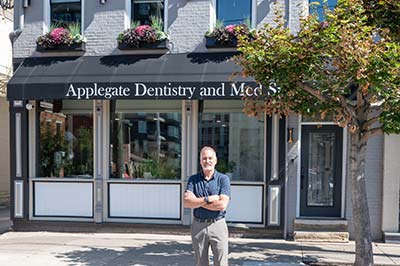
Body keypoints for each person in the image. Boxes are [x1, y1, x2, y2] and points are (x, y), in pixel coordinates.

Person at [184, 146, 231, 266]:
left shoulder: (223, 179)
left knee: (221, 262)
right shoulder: (193, 180)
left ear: (215, 161)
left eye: (210, 158)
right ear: (200, 161)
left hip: (218, 224)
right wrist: (208, 199)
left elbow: (222, 205)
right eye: (204, 158)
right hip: (198, 225)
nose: (207, 161)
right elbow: (187, 203)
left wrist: (197, 201)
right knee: (201, 263)